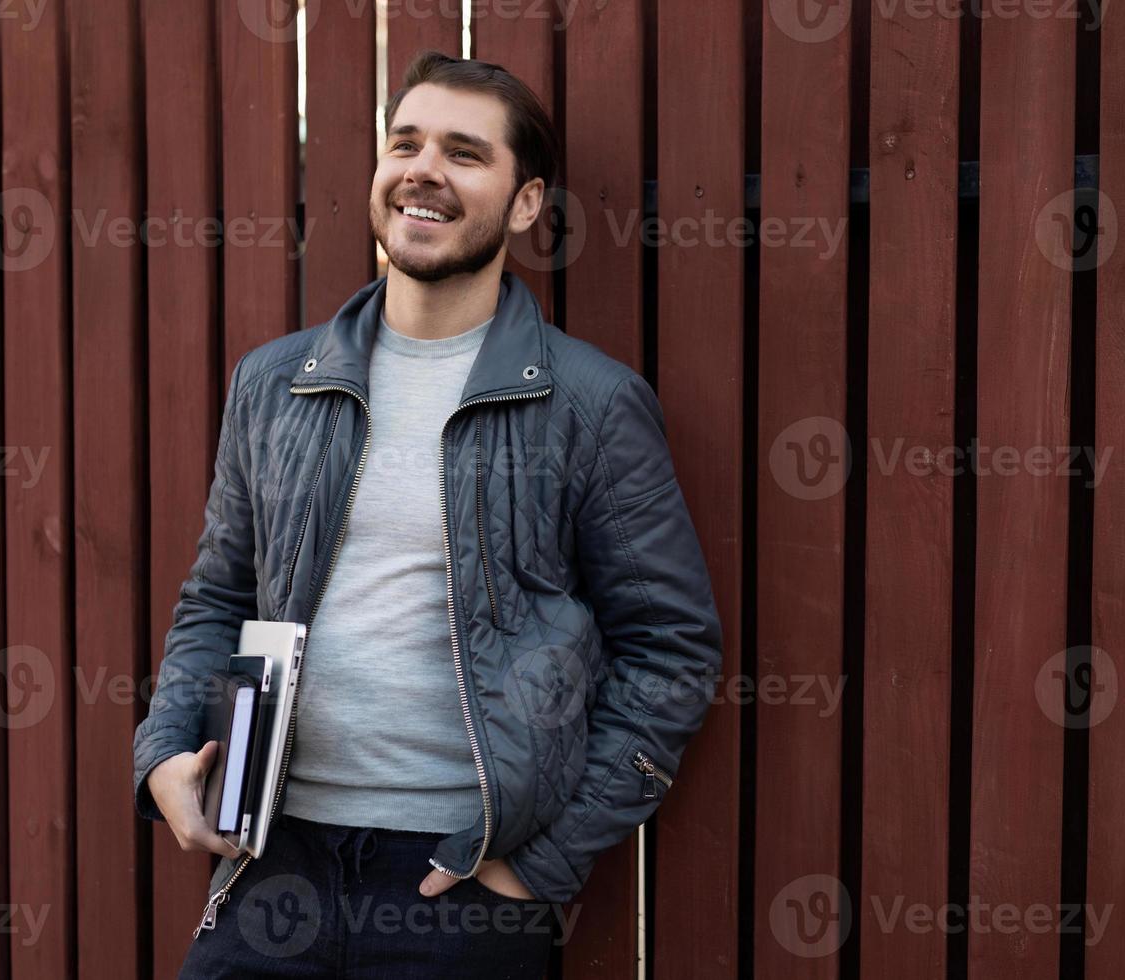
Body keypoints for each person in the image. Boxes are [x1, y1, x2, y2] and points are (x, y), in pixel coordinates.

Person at [132, 49, 723, 978]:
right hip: (269, 859)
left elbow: (671, 647)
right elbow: (219, 596)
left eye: (464, 153)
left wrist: (546, 863)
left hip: (456, 888)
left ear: (526, 203)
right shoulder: (275, 383)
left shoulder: (590, 405)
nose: (423, 171)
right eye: (404, 142)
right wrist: (164, 751)